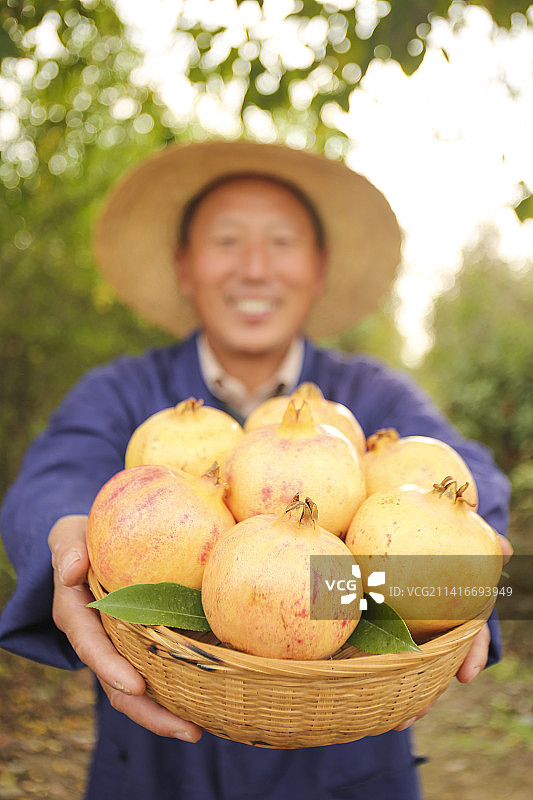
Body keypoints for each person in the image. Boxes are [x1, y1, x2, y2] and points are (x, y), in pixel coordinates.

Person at [0, 140, 511, 799]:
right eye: (226, 240)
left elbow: (467, 479)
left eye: (281, 241)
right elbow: (53, 476)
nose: (253, 267)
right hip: (154, 767)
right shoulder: (123, 390)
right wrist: (68, 537)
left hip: (348, 767)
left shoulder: (369, 395)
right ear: (185, 267)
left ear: (317, 268)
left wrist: (462, 577)